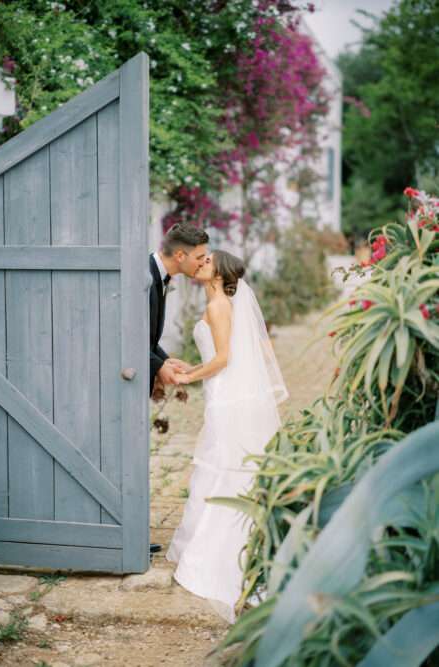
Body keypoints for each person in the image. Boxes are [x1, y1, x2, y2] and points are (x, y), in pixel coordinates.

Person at [165, 250, 289, 623]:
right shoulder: (218, 302)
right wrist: (191, 366)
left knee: (225, 468)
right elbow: (217, 358)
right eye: (200, 260)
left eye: (207, 262)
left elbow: (224, 360)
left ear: (219, 274)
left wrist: (187, 377)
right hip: (224, 395)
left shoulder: (219, 305)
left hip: (227, 399)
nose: (200, 264)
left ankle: (220, 554)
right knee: (221, 466)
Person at [149, 222, 209, 397]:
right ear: (180, 255)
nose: (202, 263)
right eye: (199, 257)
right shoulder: (143, 275)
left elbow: (147, 338)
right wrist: (159, 366)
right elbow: (128, 334)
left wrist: (165, 362)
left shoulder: (159, 275)